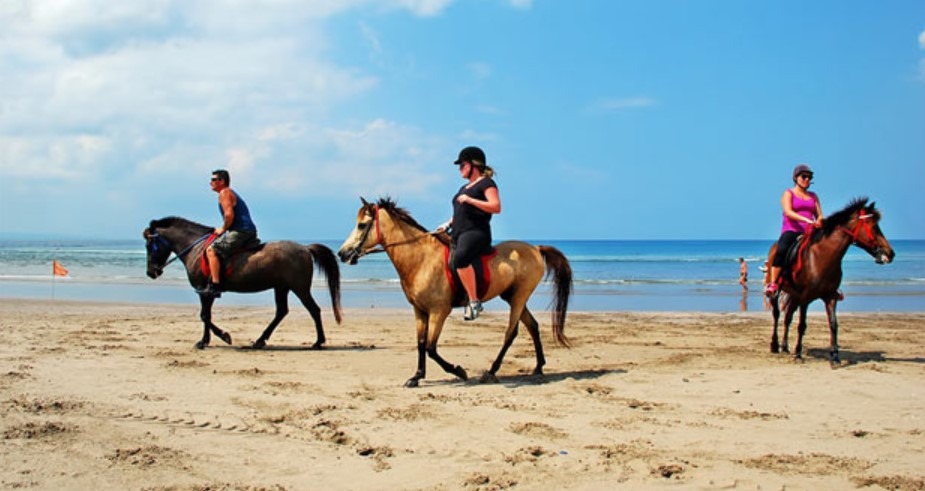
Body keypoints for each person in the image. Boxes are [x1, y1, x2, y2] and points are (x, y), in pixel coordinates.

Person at [438, 146, 501, 321]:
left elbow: (496, 207)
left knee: (461, 257)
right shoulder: (463, 188)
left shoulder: (486, 183)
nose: (460, 169)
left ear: (474, 165)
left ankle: (474, 301)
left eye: (462, 165)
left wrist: (471, 199)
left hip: (476, 232)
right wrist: (447, 223)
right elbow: (460, 212)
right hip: (458, 231)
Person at [765, 164, 823, 297]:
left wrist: (819, 221)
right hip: (792, 230)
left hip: (810, 231)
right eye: (804, 177)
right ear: (795, 178)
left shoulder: (813, 196)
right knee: (781, 250)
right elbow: (788, 212)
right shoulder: (788, 193)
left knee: (828, 248)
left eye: (809, 177)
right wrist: (807, 220)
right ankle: (773, 283)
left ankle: (830, 285)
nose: (807, 180)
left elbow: (819, 214)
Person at [201, 169, 258, 297]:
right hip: (246, 230)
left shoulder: (224, 193)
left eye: (213, 180)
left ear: (222, 181)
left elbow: (229, 215)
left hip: (241, 231)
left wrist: (222, 229)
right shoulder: (228, 193)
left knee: (211, 250)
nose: (211, 182)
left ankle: (215, 286)